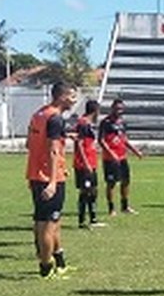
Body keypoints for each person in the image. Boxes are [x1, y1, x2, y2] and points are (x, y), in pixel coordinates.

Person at [26, 81, 76, 279]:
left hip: (36, 174)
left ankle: (58, 262)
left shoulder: (39, 114)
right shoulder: (55, 118)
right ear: (62, 97)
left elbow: (29, 144)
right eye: (72, 96)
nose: (74, 100)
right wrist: (53, 181)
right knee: (48, 224)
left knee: (45, 221)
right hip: (48, 178)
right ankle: (46, 268)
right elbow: (53, 151)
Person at [99, 98, 143, 216]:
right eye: (117, 108)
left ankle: (125, 206)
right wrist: (111, 153)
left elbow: (124, 140)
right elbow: (101, 140)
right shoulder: (106, 123)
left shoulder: (122, 122)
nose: (119, 111)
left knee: (126, 181)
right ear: (112, 108)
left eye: (121, 109)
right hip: (110, 159)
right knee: (111, 183)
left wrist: (135, 151)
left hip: (122, 157)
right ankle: (111, 208)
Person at [72, 99, 105, 229]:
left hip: (91, 162)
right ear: (96, 110)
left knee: (93, 190)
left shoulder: (88, 124)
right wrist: (86, 163)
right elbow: (79, 143)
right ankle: (82, 221)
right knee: (85, 191)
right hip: (83, 164)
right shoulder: (83, 123)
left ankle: (93, 219)